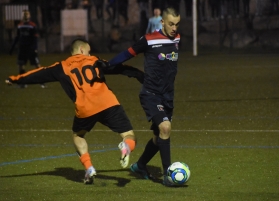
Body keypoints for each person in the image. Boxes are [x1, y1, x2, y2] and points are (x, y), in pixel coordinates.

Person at [5, 39, 145, 185]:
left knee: (78, 135)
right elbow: (116, 67)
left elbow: (39, 74)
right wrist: (137, 74)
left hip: (85, 109)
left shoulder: (62, 66)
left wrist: (16, 79)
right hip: (108, 103)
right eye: (89, 50)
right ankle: (127, 146)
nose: (90, 53)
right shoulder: (94, 60)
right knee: (129, 135)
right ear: (82, 50)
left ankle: (89, 168)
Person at [108, 7, 181, 186]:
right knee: (165, 128)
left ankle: (140, 166)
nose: (174, 28)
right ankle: (168, 175)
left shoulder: (177, 38)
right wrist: (107, 65)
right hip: (151, 94)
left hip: (168, 96)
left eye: (177, 24)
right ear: (162, 22)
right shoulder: (148, 40)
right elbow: (127, 54)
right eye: (171, 24)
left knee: (158, 138)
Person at [9, 10, 45, 88]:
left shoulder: (32, 25)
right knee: (21, 66)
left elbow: (35, 38)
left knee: (37, 66)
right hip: (22, 48)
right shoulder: (20, 26)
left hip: (30, 48)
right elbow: (17, 37)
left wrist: (34, 48)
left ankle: (42, 81)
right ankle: (23, 83)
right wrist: (12, 47)